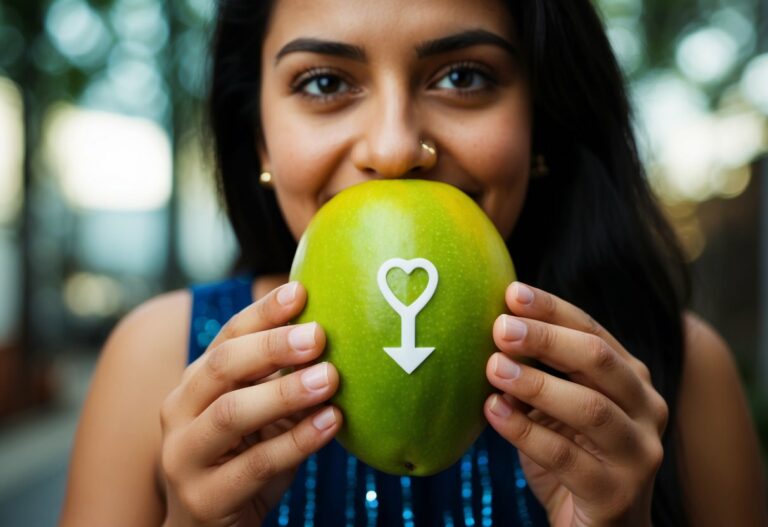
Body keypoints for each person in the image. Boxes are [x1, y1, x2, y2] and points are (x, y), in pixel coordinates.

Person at [60, 0, 767, 525]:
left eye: (463, 76)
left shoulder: (677, 372)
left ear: (541, 118)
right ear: (261, 142)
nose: (396, 148)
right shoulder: (158, 360)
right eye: (324, 83)